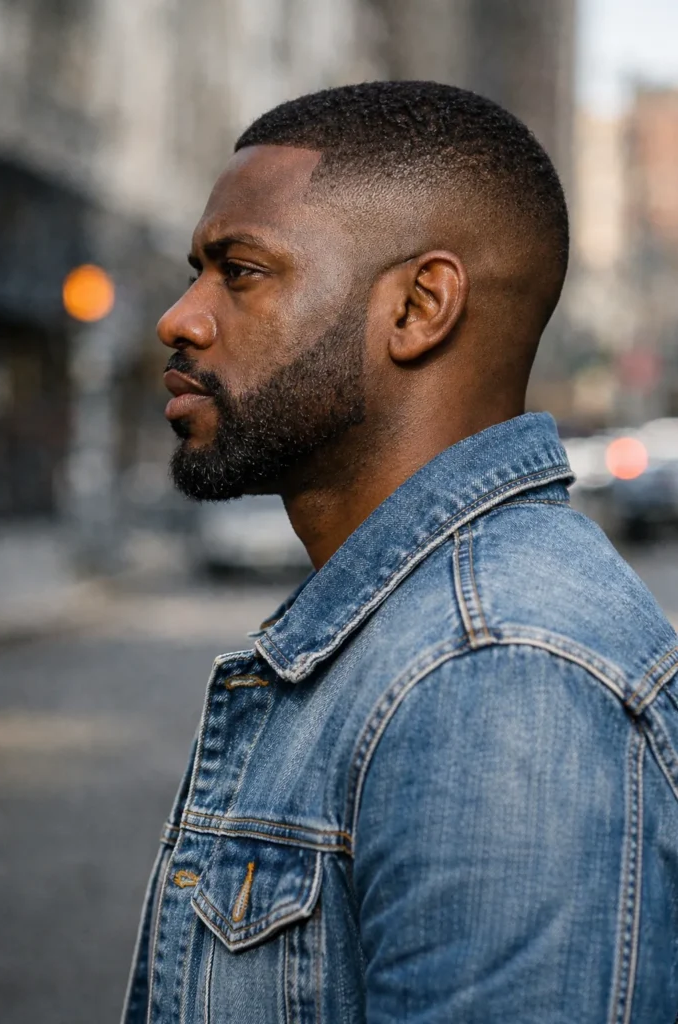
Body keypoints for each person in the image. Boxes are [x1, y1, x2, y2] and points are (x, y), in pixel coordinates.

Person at [122, 82, 678, 1023]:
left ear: (420, 306)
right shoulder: (426, 632)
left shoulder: (496, 673)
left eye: (241, 270)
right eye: (194, 270)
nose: (182, 317)